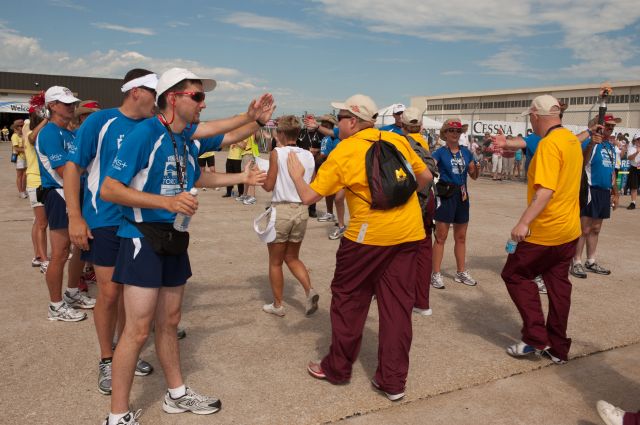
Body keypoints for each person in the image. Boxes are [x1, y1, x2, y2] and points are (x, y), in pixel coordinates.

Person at [99, 67, 270, 424]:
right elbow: (110, 188)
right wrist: (168, 203)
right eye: (198, 96)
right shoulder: (144, 133)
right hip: (142, 238)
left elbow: (200, 174)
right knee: (137, 329)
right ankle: (117, 415)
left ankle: (176, 394)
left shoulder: (183, 138)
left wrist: (245, 166)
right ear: (173, 99)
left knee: (170, 321)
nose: (204, 104)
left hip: (175, 238)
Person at [288, 94, 430, 402]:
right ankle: (393, 381)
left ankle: (338, 367)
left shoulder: (345, 150)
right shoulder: (398, 140)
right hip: (408, 233)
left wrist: (297, 176)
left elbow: (309, 197)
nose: (336, 122)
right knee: (397, 309)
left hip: (366, 238)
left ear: (352, 121)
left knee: (349, 301)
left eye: (339, 117)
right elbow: (426, 177)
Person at [65, 69, 160, 396]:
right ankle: (107, 358)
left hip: (136, 221)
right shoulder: (100, 121)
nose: (158, 102)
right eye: (154, 93)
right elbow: (72, 169)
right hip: (103, 219)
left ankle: (123, 351)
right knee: (109, 292)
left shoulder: (152, 127)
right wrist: (75, 217)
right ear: (136, 91)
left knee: (127, 291)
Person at [501, 95, 582, 365]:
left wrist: (523, 222)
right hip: (569, 231)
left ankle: (536, 337)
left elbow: (545, 191)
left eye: (531, 117)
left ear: (536, 115)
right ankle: (558, 347)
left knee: (514, 274)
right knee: (558, 286)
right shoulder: (571, 140)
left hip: (546, 230)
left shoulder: (549, 145)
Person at [35, 85, 95, 322]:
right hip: (58, 194)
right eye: (65, 103)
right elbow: (63, 170)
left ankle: (71, 293)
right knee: (60, 253)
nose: (70, 106)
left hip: (75, 193)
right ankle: (55, 305)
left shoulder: (70, 134)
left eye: (72, 102)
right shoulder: (49, 133)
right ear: (51, 106)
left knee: (80, 247)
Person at [261, 115, 319, 317]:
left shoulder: (277, 153)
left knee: (275, 261)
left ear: (281, 133)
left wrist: (259, 176)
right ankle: (309, 290)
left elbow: (269, 186)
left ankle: (278, 305)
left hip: (282, 209)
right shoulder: (309, 155)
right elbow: (310, 183)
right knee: (293, 257)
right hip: (301, 210)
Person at [570, 114, 621, 279]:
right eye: (608, 126)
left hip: (604, 192)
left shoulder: (610, 146)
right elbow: (582, 162)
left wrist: (615, 193)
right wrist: (592, 144)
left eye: (613, 126)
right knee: (583, 229)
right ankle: (576, 261)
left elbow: (612, 171)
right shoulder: (591, 142)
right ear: (599, 126)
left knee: (596, 229)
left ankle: (590, 261)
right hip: (590, 189)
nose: (611, 128)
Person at [430, 118, 479, 289]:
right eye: (451, 130)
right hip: (446, 195)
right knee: (441, 236)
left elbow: (473, 175)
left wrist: (475, 167)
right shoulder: (439, 152)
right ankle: (435, 273)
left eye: (458, 131)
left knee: (461, 237)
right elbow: (429, 167)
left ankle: (461, 272)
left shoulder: (466, 152)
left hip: (462, 196)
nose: (455, 133)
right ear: (445, 133)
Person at [400, 107, 435, 316]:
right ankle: (422, 302)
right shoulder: (425, 142)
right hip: (429, 199)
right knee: (424, 251)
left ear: (402, 126)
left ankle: (400, 295)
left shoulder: (402, 142)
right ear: (421, 126)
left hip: (413, 201)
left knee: (402, 251)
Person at [24, 109, 49, 269]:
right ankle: (43, 259)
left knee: (38, 222)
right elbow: (30, 130)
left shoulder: (33, 131)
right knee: (42, 224)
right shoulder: (31, 134)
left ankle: (38, 255)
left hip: (38, 180)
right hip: (36, 180)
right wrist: (47, 119)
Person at [315, 115, 339, 222]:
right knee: (337, 195)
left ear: (328, 124)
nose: (321, 125)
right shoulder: (340, 136)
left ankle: (330, 214)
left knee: (330, 193)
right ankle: (337, 217)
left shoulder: (326, 138)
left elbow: (323, 155)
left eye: (323, 123)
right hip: (341, 167)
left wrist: (314, 161)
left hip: (331, 168)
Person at [11, 119, 28, 199]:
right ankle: (21, 191)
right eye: (21, 126)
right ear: (16, 127)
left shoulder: (23, 135)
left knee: (25, 175)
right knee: (20, 176)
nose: (22, 127)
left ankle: (24, 190)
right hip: (19, 158)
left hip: (25, 157)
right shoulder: (15, 136)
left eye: (23, 125)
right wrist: (26, 150)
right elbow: (16, 148)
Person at [625, 134, 640, 209]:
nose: (639, 141)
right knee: (634, 186)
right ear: (635, 140)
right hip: (634, 168)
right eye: (638, 139)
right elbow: (629, 158)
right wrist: (637, 152)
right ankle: (633, 203)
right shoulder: (632, 148)